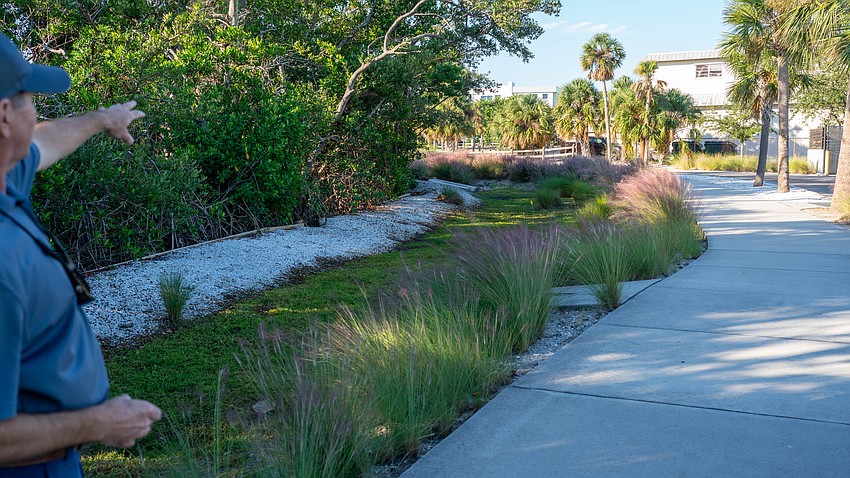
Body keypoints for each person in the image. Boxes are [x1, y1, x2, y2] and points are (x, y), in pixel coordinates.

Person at [0, 34, 161, 476]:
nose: (36, 116)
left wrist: (99, 119)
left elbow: (43, 144)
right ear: (4, 116)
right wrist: (97, 422)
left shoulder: (7, 182)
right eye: (30, 99)